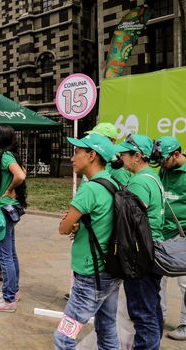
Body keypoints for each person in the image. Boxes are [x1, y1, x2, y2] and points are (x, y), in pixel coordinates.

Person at [53, 133, 121, 349]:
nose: (72, 158)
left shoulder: (90, 189)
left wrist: (72, 224)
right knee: (107, 328)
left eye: (77, 152)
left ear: (92, 155)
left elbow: (64, 228)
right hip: (111, 272)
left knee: (64, 338)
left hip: (90, 277)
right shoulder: (113, 183)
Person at [116, 134, 165, 349]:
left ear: (137, 156)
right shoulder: (153, 177)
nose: (120, 157)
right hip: (153, 248)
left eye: (125, 154)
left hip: (140, 252)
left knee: (141, 311)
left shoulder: (139, 182)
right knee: (151, 305)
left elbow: (128, 221)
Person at [0, 124, 27, 313]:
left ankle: (8, 299)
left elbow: (20, 175)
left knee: (5, 256)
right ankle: (12, 291)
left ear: (1, 137)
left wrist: (9, 190)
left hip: (2, 210)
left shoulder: (5, 156)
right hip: (7, 209)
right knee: (11, 253)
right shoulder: (5, 155)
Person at [154, 136, 186, 341]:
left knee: (185, 281)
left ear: (176, 154)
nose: (162, 165)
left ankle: (185, 323)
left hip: (184, 231)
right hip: (164, 231)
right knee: (158, 278)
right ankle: (159, 316)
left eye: (165, 160)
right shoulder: (164, 169)